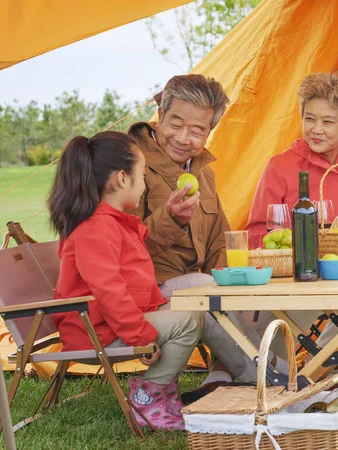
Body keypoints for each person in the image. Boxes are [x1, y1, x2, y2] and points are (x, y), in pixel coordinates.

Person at [48, 131, 201, 430]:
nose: (144, 186)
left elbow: (132, 282)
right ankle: (147, 397)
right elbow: (109, 291)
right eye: (142, 176)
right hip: (96, 333)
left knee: (196, 311)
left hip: (107, 325)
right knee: (188, 322)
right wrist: (141, 336)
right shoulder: (96, 228)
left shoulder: (110, 223)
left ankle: (163, 395)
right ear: (121, 179)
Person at [128, 74, 266, 393]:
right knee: (205, 287)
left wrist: (239, 278)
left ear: (209, 131)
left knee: (261, 287)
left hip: (193, 285)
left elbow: (221, 239)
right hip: (145, 289)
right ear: (161, 115)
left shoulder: (203, 172)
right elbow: (122, 249)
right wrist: (171, 218)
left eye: (197, 130)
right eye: (176, 123)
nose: (183, 137)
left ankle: (223, 376)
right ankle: (262, 376)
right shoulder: (128, 166)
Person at [243, 70, 338, 358]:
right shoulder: (280, 165)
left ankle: (321, 365)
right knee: (265, 322)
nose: (316, 129)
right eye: (309, 119)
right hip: (297, 283)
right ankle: (287, 371)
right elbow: (256, 232)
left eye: (328, 121)